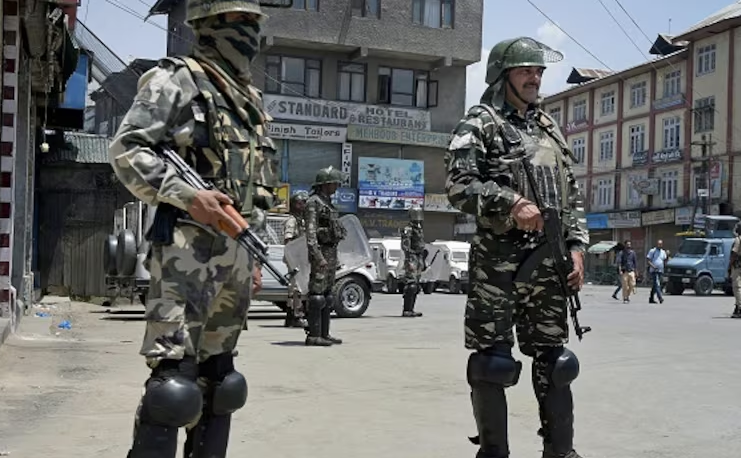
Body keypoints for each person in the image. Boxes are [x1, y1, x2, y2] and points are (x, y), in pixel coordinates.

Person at [108, 1, 279, 456]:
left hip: (236, 257)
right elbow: (127, 150)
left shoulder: (250, 101)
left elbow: (255, 190)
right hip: (185, 251)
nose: (250, 35)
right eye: (240, 23)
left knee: (221, 383)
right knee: (173, 389)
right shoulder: (177, 80)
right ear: (209, 27)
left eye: (254, 25)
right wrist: (189, 196)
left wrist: (255, 259)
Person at [444, 37, 589, 458]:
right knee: (493, 364)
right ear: (503, 73)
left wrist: (577, 247)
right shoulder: (481, 122)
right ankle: (493, 452)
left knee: (558, 364)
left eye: (539, 70)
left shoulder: (548, 126)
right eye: (526, 69)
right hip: (498, 267)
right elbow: (457, 185)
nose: (535, 77)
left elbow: (572, 196)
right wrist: (510, 203)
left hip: (550, 262)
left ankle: (560, 452)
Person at [304, 166, 347, 346]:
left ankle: (324, 333)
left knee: (328, 296)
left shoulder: (327, 203)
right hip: (321, 252)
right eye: (334, 183)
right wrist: (318, 256)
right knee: (317, 296)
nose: (336, 186)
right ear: (325, 184)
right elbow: (311, 234)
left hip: (331, 251)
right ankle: (313, 335)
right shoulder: (313, 203)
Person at [283, 191, 309, 328]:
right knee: (296, 288)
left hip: (300, 258)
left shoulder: (301, 220)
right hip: (294, 259)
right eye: (301, 203)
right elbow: (288, 240)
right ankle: (296, 316)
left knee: (296, 288)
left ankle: (291, 317)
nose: (304, 206)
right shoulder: (292, 220)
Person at [400, 205, 425, 317]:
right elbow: (405, 246)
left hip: (418, 258)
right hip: (412, 258)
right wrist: (411, 258)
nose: (418, 217)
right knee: (411, 285)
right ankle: (407, 310)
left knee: (416, 285)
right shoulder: (408, 229)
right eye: (416, 214)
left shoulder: (419, 228)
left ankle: (411, 309)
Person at [646, 239, 667, 304]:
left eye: (661, 244)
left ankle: (651, 298)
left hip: (661, 270)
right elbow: (648, 261)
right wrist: (653, 266)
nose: (660, 245)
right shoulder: (652, 251)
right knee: (657, 284)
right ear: (657, 244)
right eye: (659, 244)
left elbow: (664, 260)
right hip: (654, 271)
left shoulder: (663, 252)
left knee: (656, 285)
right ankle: (660, 298)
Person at [727, 223, 741, 318]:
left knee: (737, 287)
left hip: (738, 266)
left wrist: (729, 266)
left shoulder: (738, 240)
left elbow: (734, 254)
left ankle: (739, 308)